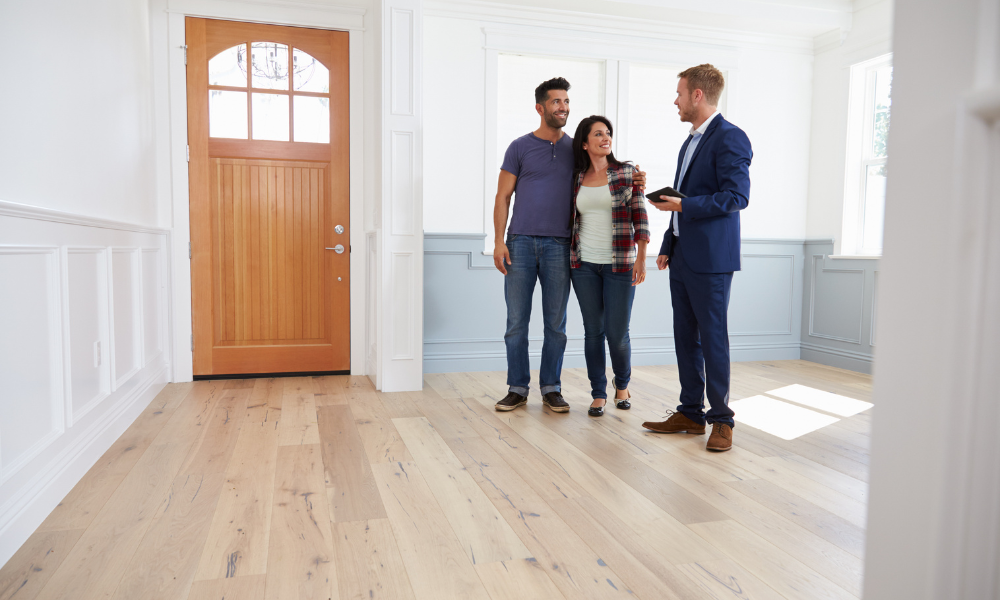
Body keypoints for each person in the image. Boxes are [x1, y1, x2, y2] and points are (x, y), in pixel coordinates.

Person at [491, 77, 646, 413]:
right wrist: (498, 241)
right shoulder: (519, 147)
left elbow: (605, 175)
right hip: (518, 243)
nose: (563, 107)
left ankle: (551, 388)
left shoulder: (576, 150)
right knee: (516, 322)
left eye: (566, 101)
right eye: (556, 102)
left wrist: (636, 177)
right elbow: (502, 196)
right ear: (540, 107)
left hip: (561, 246)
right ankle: (517, 387)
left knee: (556, 324)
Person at [641, 64, 752, 452]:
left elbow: (736, 197)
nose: (676, 100)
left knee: (713, 338)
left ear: (698, 96)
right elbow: (682, 200)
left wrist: (684, 208)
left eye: (680, 93)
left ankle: (722, 420)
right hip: (683, 255)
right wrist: (669, 244)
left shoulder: (731, 138)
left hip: (712, 259)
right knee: (685, 337)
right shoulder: (689, 141)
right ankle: (690, 412)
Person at [569, 116, 649, 417]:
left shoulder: (627, 173)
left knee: (617, 333)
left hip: (620, 264)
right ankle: (599, 393)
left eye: (608, 133)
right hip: (583, 265)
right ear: (585, 143)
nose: (606, 138)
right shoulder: (576, 177)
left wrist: (641, 258)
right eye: (598, 134)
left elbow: (640, 217)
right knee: (593, 331)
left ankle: (623, 385)